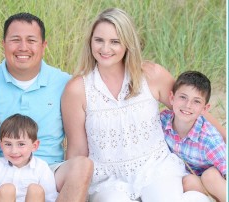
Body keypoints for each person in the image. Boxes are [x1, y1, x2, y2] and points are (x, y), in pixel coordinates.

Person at [61, 8, 225, 202]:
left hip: (155, 168)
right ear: (90, 42)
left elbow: (190, 108)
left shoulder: (151, 75)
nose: (105, 49)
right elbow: (77, 150)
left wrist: (225, 136)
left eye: (115, 41)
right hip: (107, 178)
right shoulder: (77, 89)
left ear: (127, 43)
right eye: (99, 40)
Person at [0, 12, 93, 202]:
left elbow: (76, 143)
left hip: (49, 170)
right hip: (0, 168)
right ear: (3, 44)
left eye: (31, 40)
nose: (23, 47)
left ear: (43, 46)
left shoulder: (64, 83)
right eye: (15, 40)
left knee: (83, 165)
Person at [160, 71, 227, 202]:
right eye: (183, 97)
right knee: (188, 181)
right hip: (193, 181)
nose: (188, 105)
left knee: (210, 176)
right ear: (172, 98)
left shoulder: (209, 140)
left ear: (204, 109)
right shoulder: (162, 121)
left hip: (214, 183)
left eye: (196, 101)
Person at [0, 113, 58, 202]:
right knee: (6, 189)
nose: (14, 151)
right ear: (1, 145)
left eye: (21, 144)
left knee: (36, 190)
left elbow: (51, 199)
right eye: (8, 144)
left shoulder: (41, 167)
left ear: (34, 146)